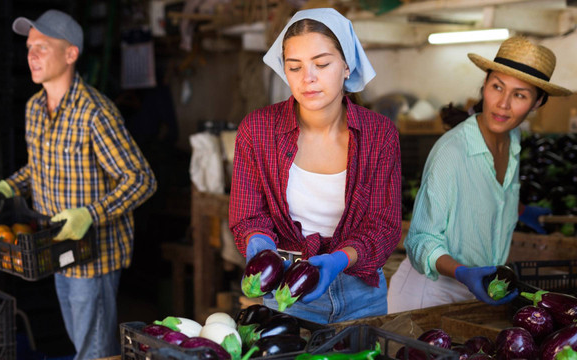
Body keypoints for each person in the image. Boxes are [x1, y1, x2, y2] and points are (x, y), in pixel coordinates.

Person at [0, 9, 157, 359]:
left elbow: (142, 179)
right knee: (82, 345)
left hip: (95, 256)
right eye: (29, 47)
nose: (31, 54)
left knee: (94, 352)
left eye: (42, 46)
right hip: (56, 248)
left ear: (70, 54)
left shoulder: (95, 112)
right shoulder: (33, 109)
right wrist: (6, 188)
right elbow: (38, 168)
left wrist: (90, 214)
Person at [229, 8, 401, 324]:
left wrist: (338, 260)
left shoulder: (379, 134)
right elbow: (248, 214)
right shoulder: (258, 130)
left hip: (363, 294)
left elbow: (384, 224)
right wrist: (259, 247)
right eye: (295, 67)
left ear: (347, 66)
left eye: (321, 64)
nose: (308, 78)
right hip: (288, 291)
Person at [387, 37, 571, 313]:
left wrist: (519, 210)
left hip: (479, 294)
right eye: (497, 87)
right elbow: (420, 240)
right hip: (429, 296)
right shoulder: (452, 151)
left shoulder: (513, 140)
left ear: (537, 103)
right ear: (484, 84)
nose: (503, 104)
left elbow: (485, 196)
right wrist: (462, 273)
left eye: (519, 95)